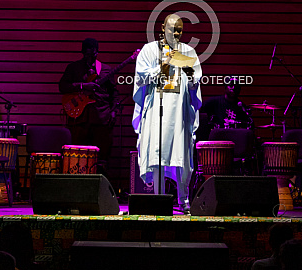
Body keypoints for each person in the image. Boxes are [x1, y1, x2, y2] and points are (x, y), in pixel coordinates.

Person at [132, 14, 202, 213]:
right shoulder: (149, 50)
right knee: (157, 154)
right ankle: (159, 199)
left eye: (180, 30)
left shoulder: (188, 51)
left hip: (179, 112)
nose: (177, 33)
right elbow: (141, 77)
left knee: (180, 155)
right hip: (157, 111)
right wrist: (164, 64)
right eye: (173, 29)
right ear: (163, 28)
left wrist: (190, 77)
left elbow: (195, 81)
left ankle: (183, 199)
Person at [59, 38, 118, 166]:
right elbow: (62, 87)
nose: (90, 56)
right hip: (79, 119)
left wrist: (113, 112)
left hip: (101, 118)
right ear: (82, 52)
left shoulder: (105, 69)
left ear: (97, 52)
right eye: (87, 53)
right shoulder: (73, 68)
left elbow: (114, 93)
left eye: (93, 53)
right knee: (77, 157)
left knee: (102, 157)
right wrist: (82, 86)